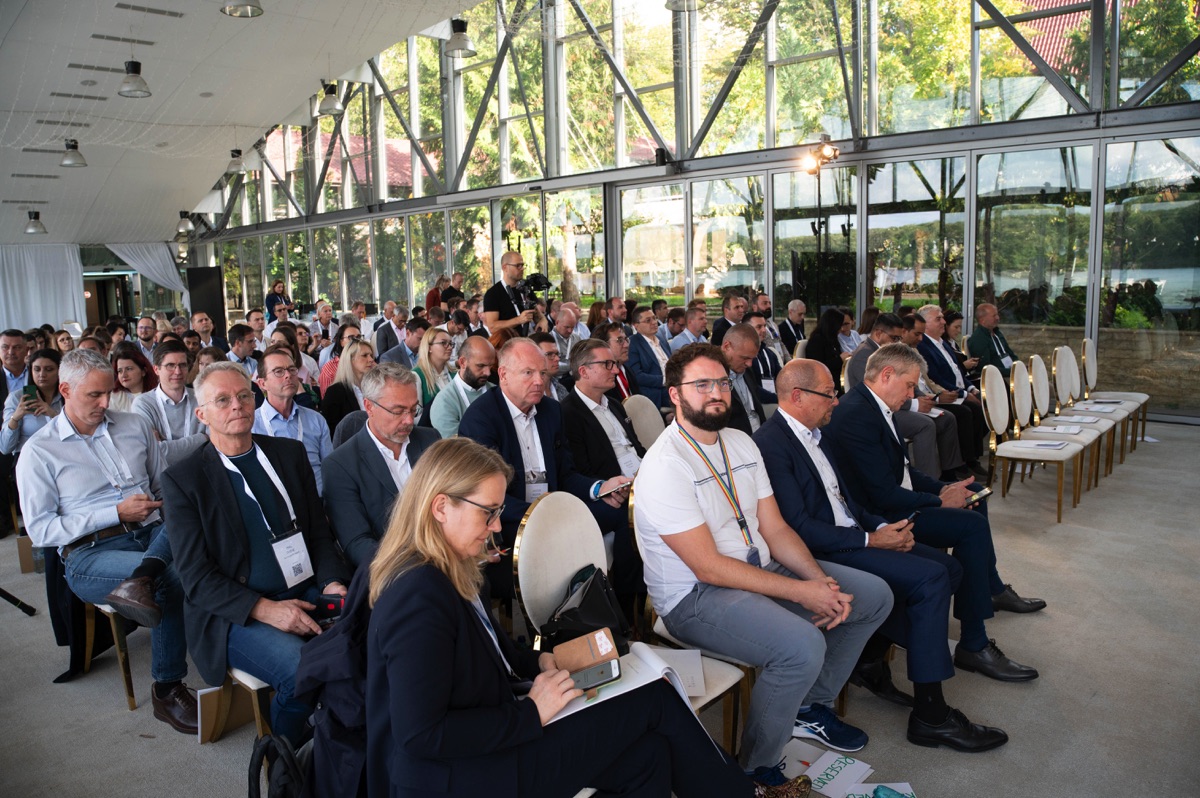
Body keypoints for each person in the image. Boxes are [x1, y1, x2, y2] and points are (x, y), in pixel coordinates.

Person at [365, 436, 808, 798]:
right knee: (653, 700)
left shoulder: (449, 567)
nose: (497, 526)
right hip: (465, 775)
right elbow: (420, 734)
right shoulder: (417, 595)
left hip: (493, 739)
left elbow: (490, 652)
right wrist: (532, 713)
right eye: (489, 512)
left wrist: (540, 661)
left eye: (498, 512)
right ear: (441, 507)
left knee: (650, 754)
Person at [633, 343, 891, 784]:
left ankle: (807, 705)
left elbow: (775, 528)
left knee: (872, 596)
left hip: (760, 568)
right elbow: (708, 567)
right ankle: (755, 768)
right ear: (675, 394)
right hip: (695, 597)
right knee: (801, 647)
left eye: (721, 382)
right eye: (701, 385)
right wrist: (802, 592)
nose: (716, 393)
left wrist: (819, 582)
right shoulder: (664, 465)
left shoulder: (740, 441)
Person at [754, 359, 1009, 752]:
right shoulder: (771, 444)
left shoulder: (817, 435)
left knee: (948, 567)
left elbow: (849, 502)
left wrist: (884, 530)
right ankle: (931, 714)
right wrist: (871, 540)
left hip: (853, 534)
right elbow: (799, 527)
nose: (835, 402)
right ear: (798, 396)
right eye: (829, 394)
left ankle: (872, 655)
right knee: (931, 579)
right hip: (822, 550)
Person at [821, 343, 1045, 684]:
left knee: (973, 497)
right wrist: (940, 501)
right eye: (910, 385)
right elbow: (881, 494)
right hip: (882, 515)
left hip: (895, 500)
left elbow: (905, 472)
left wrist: (944, 489)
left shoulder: (876, 405)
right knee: (970, 526)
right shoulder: (856, 414)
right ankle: (974, 642)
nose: (913, 394)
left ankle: (990, 587)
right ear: (886, 375)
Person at [163, 361, 348, 745]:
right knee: (302, 673)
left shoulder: (289, 454)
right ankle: (285, 758)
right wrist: (267, 610)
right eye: (222, 400)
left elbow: (318, 534)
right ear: (202, 415)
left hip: (307, 586)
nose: (237, 405)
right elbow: (197, 579)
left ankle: (341, 740)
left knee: (376, 638)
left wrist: (332, 583)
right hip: (236, 613)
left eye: (244, 396)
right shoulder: (185, 480)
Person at [17, 348, 197, 733]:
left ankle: (148, 581)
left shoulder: (133, 425)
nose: (105, 403)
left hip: (153, 533)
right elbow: (41, 531)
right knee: (169, 579)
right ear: (65, 390)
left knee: (204, 533)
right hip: (91, 553)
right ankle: (167, 689)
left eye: (109, 392)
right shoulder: (39, 451)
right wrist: (114, 513)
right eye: (94, 395)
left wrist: (174, 508)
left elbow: (162, 488)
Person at [458, 339, 631, 599]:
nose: (539, 381)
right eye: (528, 373)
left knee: (624, 514)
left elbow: (565, 474)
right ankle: (568, 614)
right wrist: (542, 514)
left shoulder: (551, 410)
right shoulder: (481, 417)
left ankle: (624, 608)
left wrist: (599, 488)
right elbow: (487, 496)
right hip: (510, 520)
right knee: (563, 542)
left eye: (542, 372)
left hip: (555, 511)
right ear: (503, 375)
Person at [561, 338, 647, 622]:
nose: (616, 370)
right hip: (610, 490)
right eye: (608, 364)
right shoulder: (568, 413)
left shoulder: (615, 406)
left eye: (615, 363)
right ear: (584, 371)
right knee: (631, 517)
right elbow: (578, 470)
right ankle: (628, 609)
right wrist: (609, 488)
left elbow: (636, 448)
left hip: (639, 480)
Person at [323, 363, 441, 569]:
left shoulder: (430, 440)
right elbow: (357, 543)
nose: (409, 420)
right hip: (396, 569)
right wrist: (416, 568)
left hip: (446, 553)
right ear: (369, 407)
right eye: (398, 411)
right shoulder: (340, 465)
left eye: (414, 409)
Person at [846, 314, 966, 481]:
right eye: (894, 338)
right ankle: (929, 480)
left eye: (899, 338)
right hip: (878, 411)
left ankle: (949, 473)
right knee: (925, 425)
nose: (898, 342)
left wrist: (923, 398)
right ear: (879, 333)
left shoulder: (886, 352)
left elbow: (909, 381)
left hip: (897, 404)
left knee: (947, 418)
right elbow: (876, 394)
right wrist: (914, 404)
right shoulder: (864, 354)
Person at [253, 345, 333, 494]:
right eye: (278, 371)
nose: (288, 375)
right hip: (277, 502)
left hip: (318, 500)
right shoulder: (251, 425)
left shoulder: (316, 419)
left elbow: (329, 469)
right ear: (262, 384)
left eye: (291, 369)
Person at [132, 340, 208, 466]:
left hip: (201, 472)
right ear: (156, 369)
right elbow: (154, 452)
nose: (178, 371)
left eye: (182, 365)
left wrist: (166, 446)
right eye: (170, 365)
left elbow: (214, 444)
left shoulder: (202, 398)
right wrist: (203, 438)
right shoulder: (143, 404)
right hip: (161, 476)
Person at [428, 337, 496, 440]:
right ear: (463, 362)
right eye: (480, 366)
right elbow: (458, 447)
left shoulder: (497, 391)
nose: (488, 373)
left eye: (490, 366)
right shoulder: (444, 402)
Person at [1, 348, 62, 455]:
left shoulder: (68, 396)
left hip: (61, 455)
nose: (42, 374)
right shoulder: (17, 397)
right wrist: (15, 418)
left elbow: (79, 434)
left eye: (49, 369)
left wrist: (53, 415)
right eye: (37, 369)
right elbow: (5, 448)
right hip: (28, 456)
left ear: (59, 371)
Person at [321, 338, 375, 438]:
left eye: (371, 355)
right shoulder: (335, 392)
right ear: (350, 360)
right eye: (365, 355)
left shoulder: (374, 388)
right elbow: (332, 432)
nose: (371, 359)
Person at [721, 323, 767, 435]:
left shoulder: (745, 369)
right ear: (727, 347)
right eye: (745, 358)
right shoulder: (712, 375)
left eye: (752, 358)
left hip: (761, 433)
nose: (749, 364)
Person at [483, 251, 540, 339]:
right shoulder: (493, 294)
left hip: (529, 340)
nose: (522, 269)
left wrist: (543, 320)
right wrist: (518, 320)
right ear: (505, 267)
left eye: (522, 265)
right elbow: (492, 327)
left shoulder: (526, 288)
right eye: (518, 266)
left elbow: (536, 312)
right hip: (508, 343)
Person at [627, 306, 670, 408]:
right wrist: (665, 380)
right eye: (648, 320)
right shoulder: (632, 343)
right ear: (636, 325)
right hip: (654, 394)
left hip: (672, 388)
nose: (654, 322)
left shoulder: (662, 340)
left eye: (654, 318)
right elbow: (637, 376)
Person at [804, 308, 850, 395]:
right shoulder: (816, 341)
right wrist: (840, 359)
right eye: (839, 325)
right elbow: (818, 366)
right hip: (825, 382)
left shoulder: (833, 339)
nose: (841, 329)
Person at [591, 322, 639, 403]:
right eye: (620, 341)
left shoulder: (628, 370)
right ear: (604, 345)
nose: (626, 345)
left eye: (626, 339)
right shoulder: (600, 379)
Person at [968, 303, 1016, 381]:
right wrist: (1012, 372)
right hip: (997, 379)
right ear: (982, 320)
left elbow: (1010, 353)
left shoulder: (997, 333)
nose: (997, 318)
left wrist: (1018, 366)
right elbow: (986, 368)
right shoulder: (978, 339)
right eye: (994, 316)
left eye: (997, 315)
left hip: (1010, 373)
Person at [412, 327, 454, 414]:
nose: (450, 347)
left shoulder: (455, 373)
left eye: (451, 343)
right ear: (429, 348)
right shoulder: (417, 375)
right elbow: (416, 415)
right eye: (443, 343)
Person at [108, 341, 157, 413]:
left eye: (129, 369)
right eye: (120, 371)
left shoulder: (157, 394)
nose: (124, 375)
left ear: (143, 371)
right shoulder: (114, 396)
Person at [745, 311, 782, 404]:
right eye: (759, 327)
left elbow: (782, 377)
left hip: (776, 401)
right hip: (756, 403)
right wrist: (778, 399)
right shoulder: (744, 357)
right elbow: (752, 387)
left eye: (764, 326)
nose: (764, 330)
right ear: (746, 330)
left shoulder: (770, 353)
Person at [318, 323, 364, 394]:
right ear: (341, 341)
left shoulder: (367, 361)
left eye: (358, 337)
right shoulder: (330, 369)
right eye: (351, 337)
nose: (356, 340)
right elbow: (326, 398)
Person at [531, 333, 570, 403]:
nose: (557, 359)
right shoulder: (528, 393)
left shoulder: (560, 388)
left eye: (557, 354)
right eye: (549, 354)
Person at [753, 293, 790, 364]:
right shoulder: (752, 325)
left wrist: (789, 361)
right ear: (755, 307)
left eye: (769, 303)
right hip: (768, 364)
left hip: (781, 363)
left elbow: (780, 343)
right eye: (765, 303)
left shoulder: (773, 324)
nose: (768, 306)